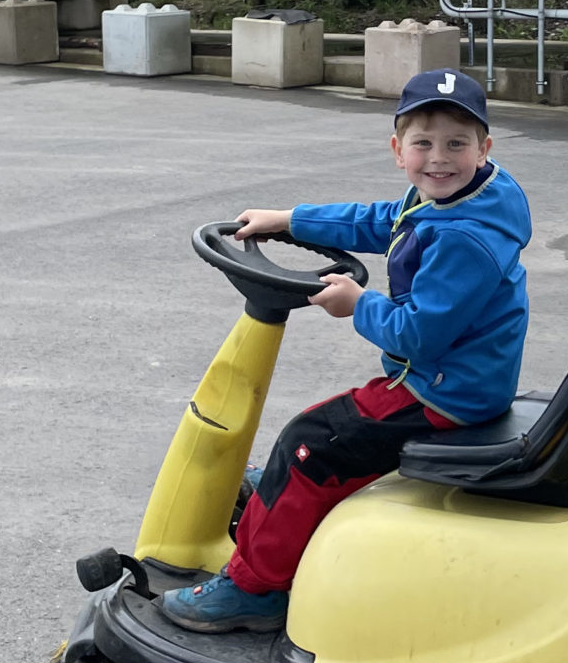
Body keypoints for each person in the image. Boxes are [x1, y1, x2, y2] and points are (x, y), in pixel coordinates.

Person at [160, 68, 530, 634]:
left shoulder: (465, 237)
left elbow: (417, 335)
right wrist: (290, 220)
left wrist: (358, 304)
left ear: (484, 149)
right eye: (424, 144)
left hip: (446, 393)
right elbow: (381, 221)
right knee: (313, 439)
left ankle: (255, 590)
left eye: (457, 144)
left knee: (310, 444)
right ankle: (280, 495)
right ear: (398, 151)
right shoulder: (458, 199)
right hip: (454, 377)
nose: (439, 158)